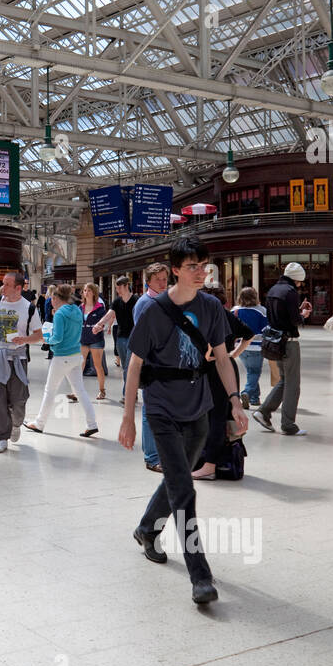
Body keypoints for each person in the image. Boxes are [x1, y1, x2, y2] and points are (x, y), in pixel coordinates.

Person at [119, 237, 245, 606]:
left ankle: (146, 528)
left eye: (204, 265)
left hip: (199, 406)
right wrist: (128, 417)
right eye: (192, 266)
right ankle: (200, 576)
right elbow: (134, 366)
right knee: (185, 491)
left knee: (180, 476)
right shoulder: (153, 311)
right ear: (175, 269)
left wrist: (235, 403)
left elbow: (221, 358)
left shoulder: (210, 307)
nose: (201, 271)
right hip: (161, 409)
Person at [0, 272, 44, 453]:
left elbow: (39, 335)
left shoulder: (29, 308)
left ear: (18, 288)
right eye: (2, 283)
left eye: (7, 284)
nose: (2, 287)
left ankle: (16, 423)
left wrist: (25, 340)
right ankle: (0, 437)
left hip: (18, 359)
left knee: (19, 400)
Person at [193, 285, 253, 480]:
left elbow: (209, 348)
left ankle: (209, 465)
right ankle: (215, 462)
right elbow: (248, 334)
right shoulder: (226, 314)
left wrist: (211, 353)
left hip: (215, 369)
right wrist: (233, 354)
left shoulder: (212, 316)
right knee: (222, 414)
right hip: (227, 366)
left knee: (215, 416)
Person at [24, 284, 97, 438]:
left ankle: (39, 423)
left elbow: (57, 338)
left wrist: (45, 339)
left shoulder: (59, 314)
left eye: (52, 299)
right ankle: (92, 424)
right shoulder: (77, 310)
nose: (51, 301)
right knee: (80, 391)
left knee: (49, 391)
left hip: (62, 357)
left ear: (56, 298)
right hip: (76, 355)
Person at [251, 262, 313, 436]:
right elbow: (294, 320)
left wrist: (296, 312)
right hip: (289, 341)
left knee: (284, 380)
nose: (300, 284)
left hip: (274, 341)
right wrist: (303, 315)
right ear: (297, 279)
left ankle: (263, 412)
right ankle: (288, 424)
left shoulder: (273, 290)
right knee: (293, 384)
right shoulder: (291, 292)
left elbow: (279, 315)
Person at [133, 263, 170, 473]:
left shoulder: (161, 301)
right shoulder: (145, 303)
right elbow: (144, 339)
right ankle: (152, 457)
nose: (163, 283)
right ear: (149, 281)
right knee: (149, 412)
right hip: (152, 366)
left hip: (164, 365)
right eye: (158, 279)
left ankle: (161, 453)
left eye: (165, 279)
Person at [92, 276, 134, 402]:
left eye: (119, 287)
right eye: (116, 288)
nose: (118, 290)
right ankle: (132, 391)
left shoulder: (137, 300)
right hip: (121, 337)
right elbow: (109, 314)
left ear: (127, 286)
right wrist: (100, 324)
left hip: (134, 338)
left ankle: (127, 394)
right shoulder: (116, 302)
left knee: (129, 367)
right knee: (126, 367)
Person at [234, 287, 267, 408]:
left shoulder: (235, 310)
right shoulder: (261, 310)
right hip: (257, 347)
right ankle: (246, 392)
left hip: (240, 347)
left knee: (251, 371)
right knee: (254, 372)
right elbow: (266, 328)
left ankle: (254, 398)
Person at [76, 283, 107, 400]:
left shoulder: (100, 308)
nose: (86, 293)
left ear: (94, 292)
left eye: (89, 290)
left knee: (98, 365)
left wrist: (100, 327)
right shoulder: (80, 308)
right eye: (84, 290)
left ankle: (102, 390)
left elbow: (103, 322)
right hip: (83, 339)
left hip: (96, 340)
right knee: (80, 365)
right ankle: (76, 391)